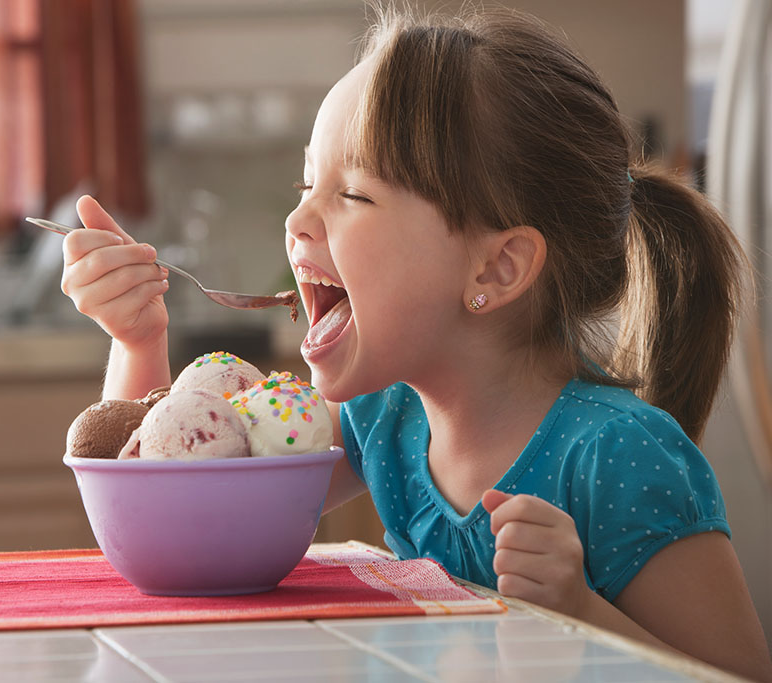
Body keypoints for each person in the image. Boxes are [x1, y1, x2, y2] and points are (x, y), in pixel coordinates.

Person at [59, 7, 772, 680]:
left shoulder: (618, 456)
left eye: (353, 195)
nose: (297, 217)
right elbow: (180, 533)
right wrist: (140, 340)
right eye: (308, 182)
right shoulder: (382, 420)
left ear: (496, 267)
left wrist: (582, 616)